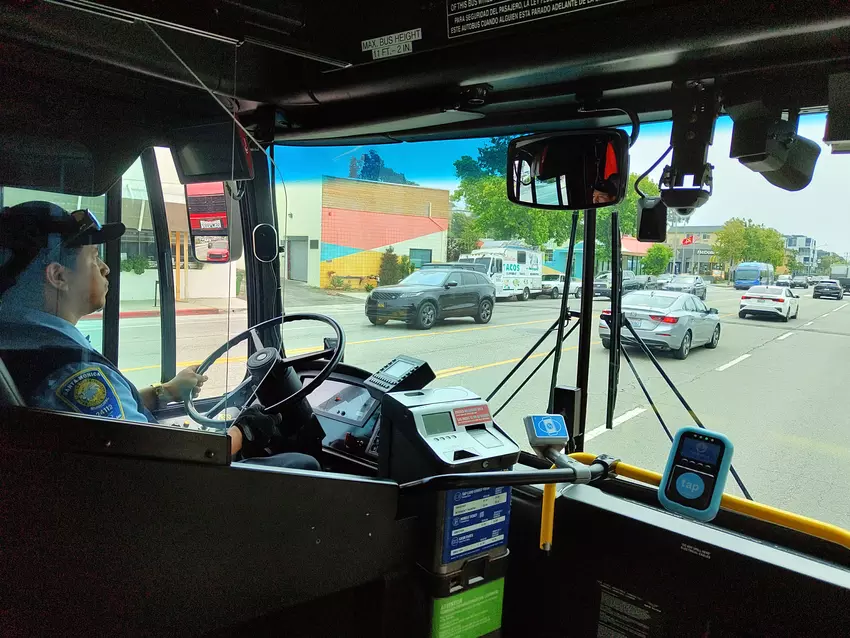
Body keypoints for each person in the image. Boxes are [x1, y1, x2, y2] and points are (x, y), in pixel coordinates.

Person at [0, 201, 318, 470]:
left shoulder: (24, 345)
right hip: (162, 499)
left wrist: (165, 391)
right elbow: (152, 459)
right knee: (304, 465)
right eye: (93, 259)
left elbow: (101, 420)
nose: (105, 268)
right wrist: (243, 432)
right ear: (58, 276)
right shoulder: (72, 372)